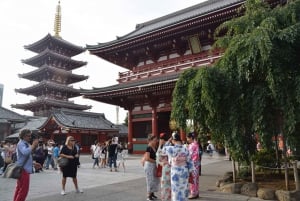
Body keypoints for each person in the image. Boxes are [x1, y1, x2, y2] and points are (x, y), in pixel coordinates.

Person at [163, 132, 194, 201]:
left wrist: (168, 141)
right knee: (184, 188)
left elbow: (163, 149)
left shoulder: (171, 148)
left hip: (175, 171)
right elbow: (190, 161)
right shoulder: (185, 148)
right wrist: (191, 171)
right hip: (184, 171)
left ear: (173, 140)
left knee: (175, 190)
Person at [13, 129, 39, 201]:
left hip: (23, 168)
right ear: (23, 136)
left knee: (19, 188)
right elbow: (25, 152)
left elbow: (26, 157)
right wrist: (33, 145)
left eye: (30, 136)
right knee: (23, 190)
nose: (30, 137)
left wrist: (33, 163)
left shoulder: (26, 143)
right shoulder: (21, 143)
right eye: (28, 136)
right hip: (24, 170)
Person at [156, 132, 172, 201]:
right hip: (169, 166)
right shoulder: (169, 145)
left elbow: (158, 156)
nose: (160, 141)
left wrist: (159, 145)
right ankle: (168, 198)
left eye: (160, 139)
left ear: (162, 139)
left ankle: (165, 198)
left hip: (166, 167)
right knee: (168, 184)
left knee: (165, 184)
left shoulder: (165, 146)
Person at [144, 134, 159, 201]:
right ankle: (148, 195)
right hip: (149, 165)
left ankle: (152, 194)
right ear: (150, 140)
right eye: (155, 140)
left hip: (153, 165)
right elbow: (147, 158)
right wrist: (156, 161)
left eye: (156, 140)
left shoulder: (154, 147)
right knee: (150, 180)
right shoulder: (149, 148)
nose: (156, 141)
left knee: (154, 180)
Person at [186, 132, 200, 199]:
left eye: (188, 138)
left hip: (193, 165)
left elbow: (190, 156)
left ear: (191, 138)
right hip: (196, 165)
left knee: (193, 179)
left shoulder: (192, 145)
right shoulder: (195, 144)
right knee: (196, 179)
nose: (187, 139)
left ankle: (193, 193)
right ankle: (196, 192)